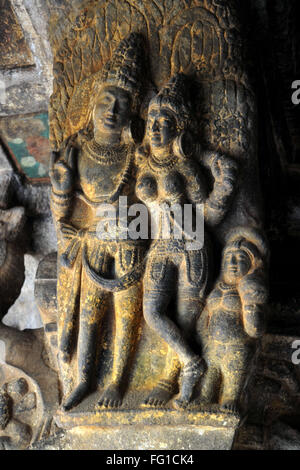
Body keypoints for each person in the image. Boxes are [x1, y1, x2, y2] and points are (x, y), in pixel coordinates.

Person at [50, 33, 147, 410]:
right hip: (90, 244)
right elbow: (62, 217)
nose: (112, 109)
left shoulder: (136, 153)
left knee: (126, 315)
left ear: (132, 110)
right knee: (90, 313)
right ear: (93, 104)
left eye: (122, 103)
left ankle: (117, 381)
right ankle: (83, 378)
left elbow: (151, 204)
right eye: (106, 99)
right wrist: (60, 190)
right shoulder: (76, 150)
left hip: (128, 243)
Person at [135, 73, 210, 408]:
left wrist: (195, 165)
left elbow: (202, 200)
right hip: (160, 247)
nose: (155, 126)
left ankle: (181, 377)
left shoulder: (185, 163)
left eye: (165, 120)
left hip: (191, 243)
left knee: (185, 319)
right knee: (152, 313)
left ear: (178, 127)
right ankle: (192, 361)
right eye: (152, 118)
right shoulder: (142, 162)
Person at [196, 228, 268, 412]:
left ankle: (232, 399)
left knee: (230, 393)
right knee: (205, 391)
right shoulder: (216, 287)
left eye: (240, 259)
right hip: (212, 347)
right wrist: (205, 338)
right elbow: (204, 317)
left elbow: (255, 331)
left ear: (251, 264)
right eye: (229, 258)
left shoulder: (247, 291)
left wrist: (251, 306)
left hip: (237, 348)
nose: (233, 263)